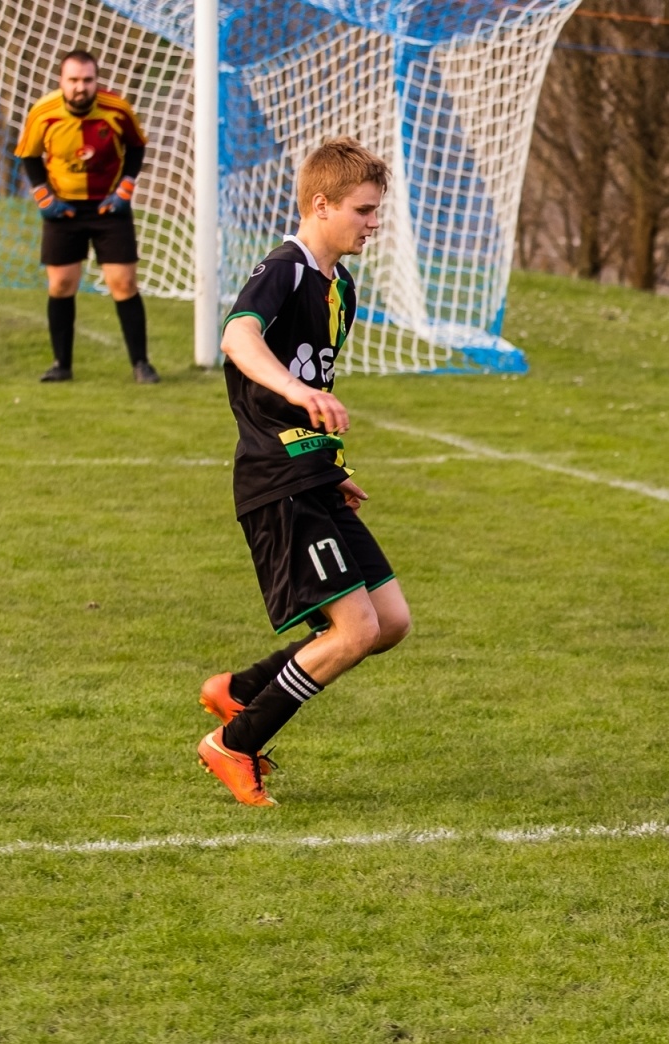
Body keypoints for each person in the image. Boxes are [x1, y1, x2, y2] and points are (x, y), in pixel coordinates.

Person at [195, 137, 409, 807]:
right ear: (322, 205)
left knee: (390, 621)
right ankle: (234, 744)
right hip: (275, 481)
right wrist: (297, 392)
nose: (373, 224)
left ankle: (241, 692)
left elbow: (312, 372)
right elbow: (237, 338)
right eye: (364, 211)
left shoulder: (337, 284)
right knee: (355, 631)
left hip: (310, 474)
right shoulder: (284, 269)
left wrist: (330, 464)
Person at [14, 49, 158, 384]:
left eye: (87, 80)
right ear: (62, 82)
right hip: (62, 209)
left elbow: (136, 147)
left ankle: (141, 364)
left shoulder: (117, 110)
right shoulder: (43, 113)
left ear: (97, 81)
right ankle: (61, 365)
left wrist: (125, 189)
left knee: (123, 283)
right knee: (61, 284)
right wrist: (43, 196)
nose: (81, 87)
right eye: (74, 80)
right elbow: (29, 155)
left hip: (109, 209)